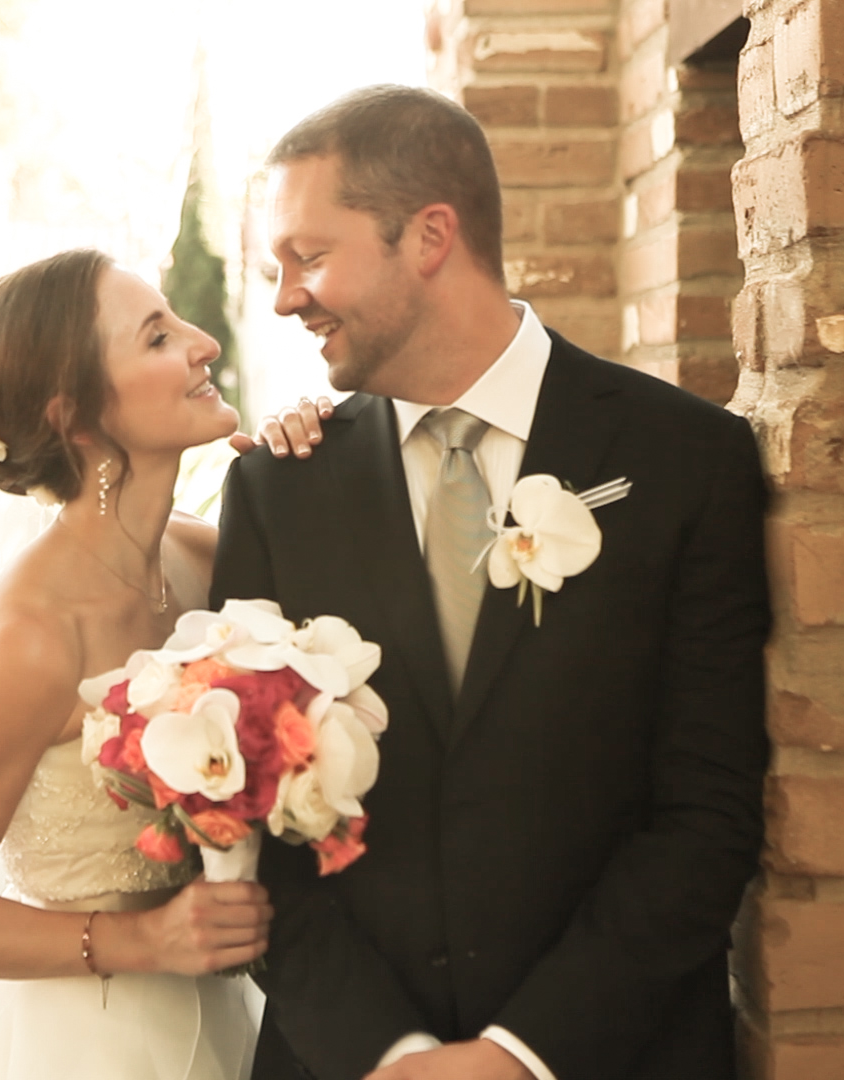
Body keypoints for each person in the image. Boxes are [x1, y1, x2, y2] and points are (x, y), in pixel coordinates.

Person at [212, 86, 772, 1080]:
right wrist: (386, 1055)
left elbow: (708, 813)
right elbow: (257, 828)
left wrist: (519, 1057)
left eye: (309, 256)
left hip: (613, 1054)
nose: (285, 297)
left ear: (430, 235)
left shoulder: (685, 461)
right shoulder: (276, 489)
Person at [0, 248, 332, 1080]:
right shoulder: (32, 635)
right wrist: (144, 939)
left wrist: (311, 472)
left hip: (233, 1024)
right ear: (76, 420)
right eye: (158, 337)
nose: (204, 344)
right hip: (85, 1043)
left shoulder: (204, 558)